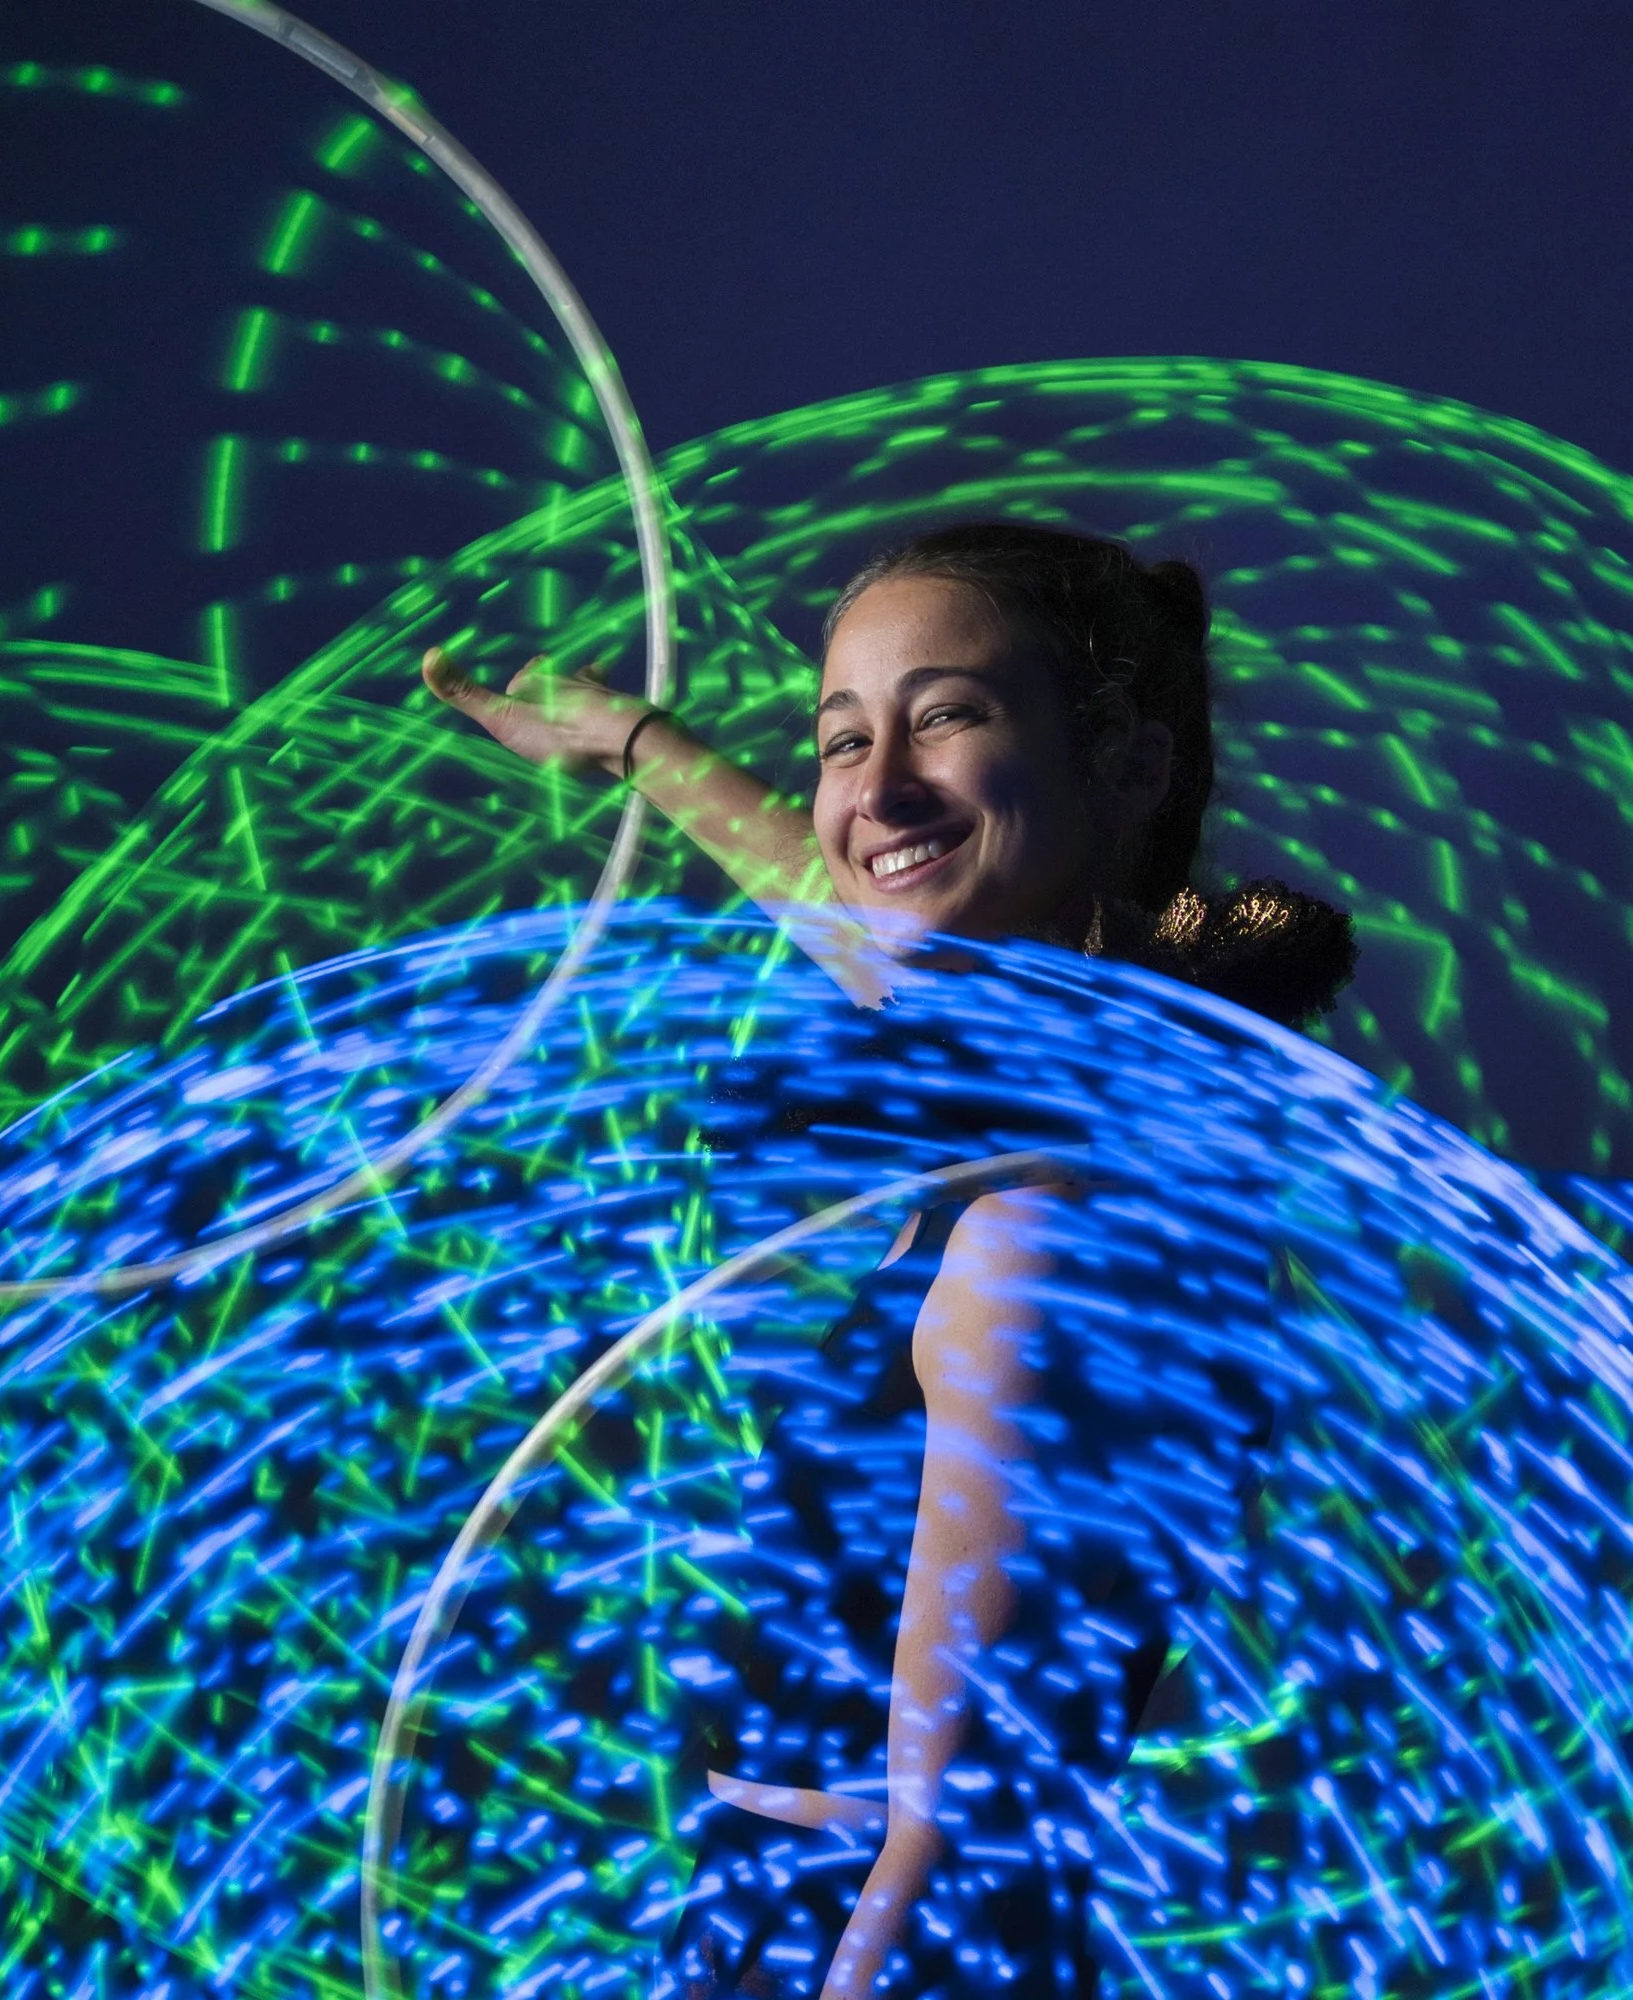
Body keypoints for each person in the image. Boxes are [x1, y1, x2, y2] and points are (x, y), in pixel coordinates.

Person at [422, 521, 1355, 1997]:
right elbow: (857, 892)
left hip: (871, 1936)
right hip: (819, 1906)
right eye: (841, 740)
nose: (874, 789)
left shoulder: (1045, 1239)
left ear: (1126, 768)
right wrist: (634, 743)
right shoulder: (1089, 1098)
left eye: (949, 716)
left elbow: (960, 1810)